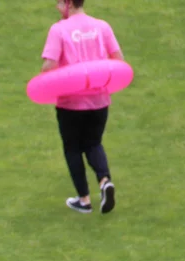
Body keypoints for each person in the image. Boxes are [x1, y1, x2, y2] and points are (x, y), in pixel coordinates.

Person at [40, 0, 124, 214]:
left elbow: (49, 66)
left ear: (68, 3)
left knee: (73, 148)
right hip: (99, 100)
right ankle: (105, 181)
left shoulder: (58, 29)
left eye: (59, 2)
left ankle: (84, 200)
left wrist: (44, 81)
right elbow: (118, 60)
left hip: (71, 103)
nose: (57, 6)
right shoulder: (102, 26)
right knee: (94, 143)